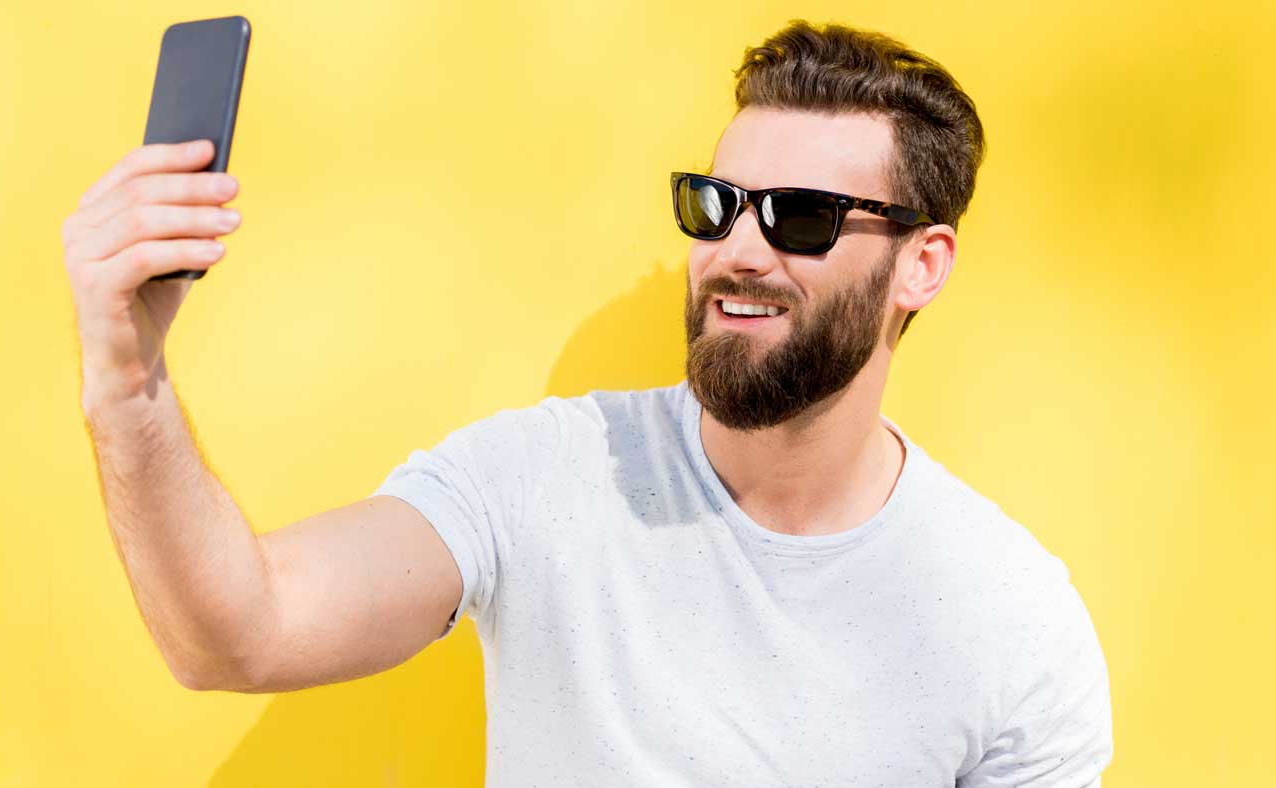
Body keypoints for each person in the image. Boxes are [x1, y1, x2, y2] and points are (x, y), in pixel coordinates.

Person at [62, 18, 1112, 787]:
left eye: (799, 217)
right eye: (716, 205)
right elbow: (238, 632)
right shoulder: (544, 476)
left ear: (922, 264)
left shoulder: (1012, 623)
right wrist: (126, 375)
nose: (735, 252)